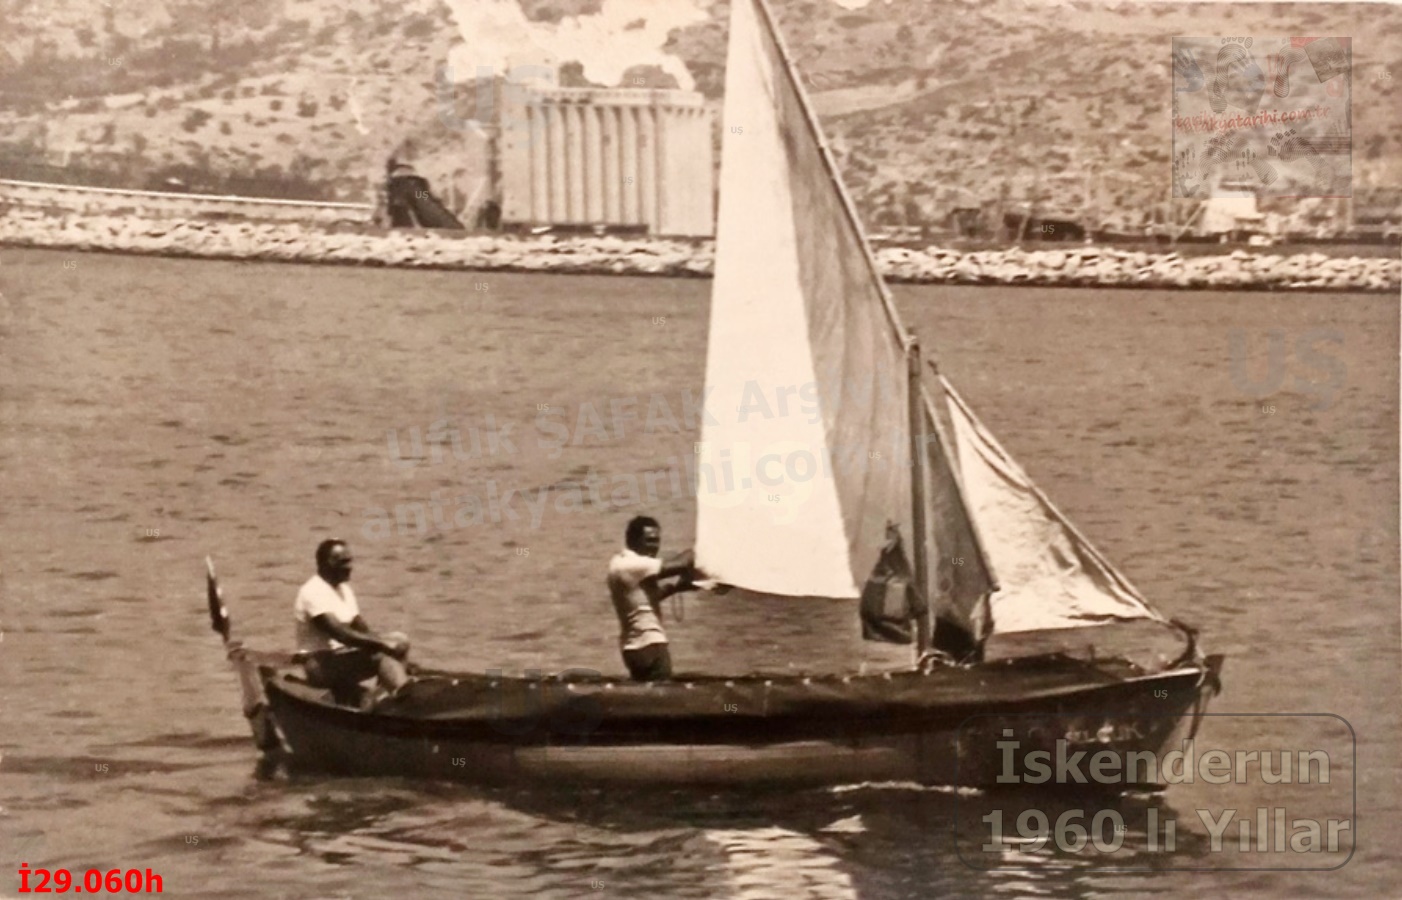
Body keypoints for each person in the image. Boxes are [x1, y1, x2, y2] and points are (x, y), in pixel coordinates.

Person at [294, 539, 411, 707]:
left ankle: (387, 696)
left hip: (341, 658)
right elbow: (340, 633)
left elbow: (361, 628)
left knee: (399, 639)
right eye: (344, 562)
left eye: (350, 561)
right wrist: (382, 645)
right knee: (380, 655)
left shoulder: (344, 590)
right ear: (327, 563)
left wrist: (391, 644)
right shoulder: (312, 591)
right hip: (319, 665)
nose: (350, 567)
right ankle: (406, 700)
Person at [606, 516, 697, 682]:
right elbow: (684, 562)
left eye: (657, 541)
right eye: (649, 540)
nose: (654, 546)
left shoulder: (617, 562)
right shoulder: (633, 564)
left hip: (632, 648)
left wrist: (676, 588)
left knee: (646, 693)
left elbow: (644, 600)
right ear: (633, 541)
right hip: (651, 645)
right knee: (663, 693)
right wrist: (707, 547)